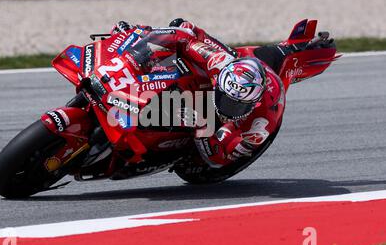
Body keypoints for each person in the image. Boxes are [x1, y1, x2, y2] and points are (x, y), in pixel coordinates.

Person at [109, 20, 300, 172]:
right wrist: (135, 37)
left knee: (207, 158)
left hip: (220, 127)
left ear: (252, 104)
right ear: (221, 82)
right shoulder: (218, 62)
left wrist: (202, 127)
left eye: (236, 105)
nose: (227, 108)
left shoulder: (260, 124)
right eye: (225, 99)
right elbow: (183, 38)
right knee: (184, 27)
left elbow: (220, 159)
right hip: (230, 67)